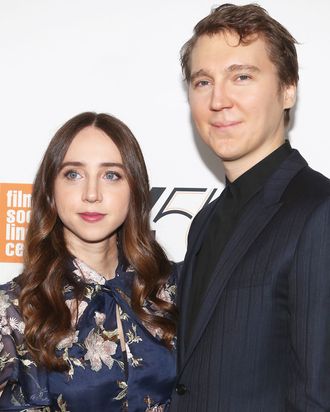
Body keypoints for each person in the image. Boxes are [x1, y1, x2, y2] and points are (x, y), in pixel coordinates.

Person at [170, 3, 330, 411]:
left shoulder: (319, 211)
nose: (218, 99)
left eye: (241, 76)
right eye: (203, 82)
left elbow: (318, 394)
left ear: (288, 88)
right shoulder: (204, 222)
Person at [0, 112, 178, 411]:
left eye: (111, 175)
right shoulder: (13, 311)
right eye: (73, 174)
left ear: (134, 189)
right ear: (50, 191)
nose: (92, 194)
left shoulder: (169, 291)